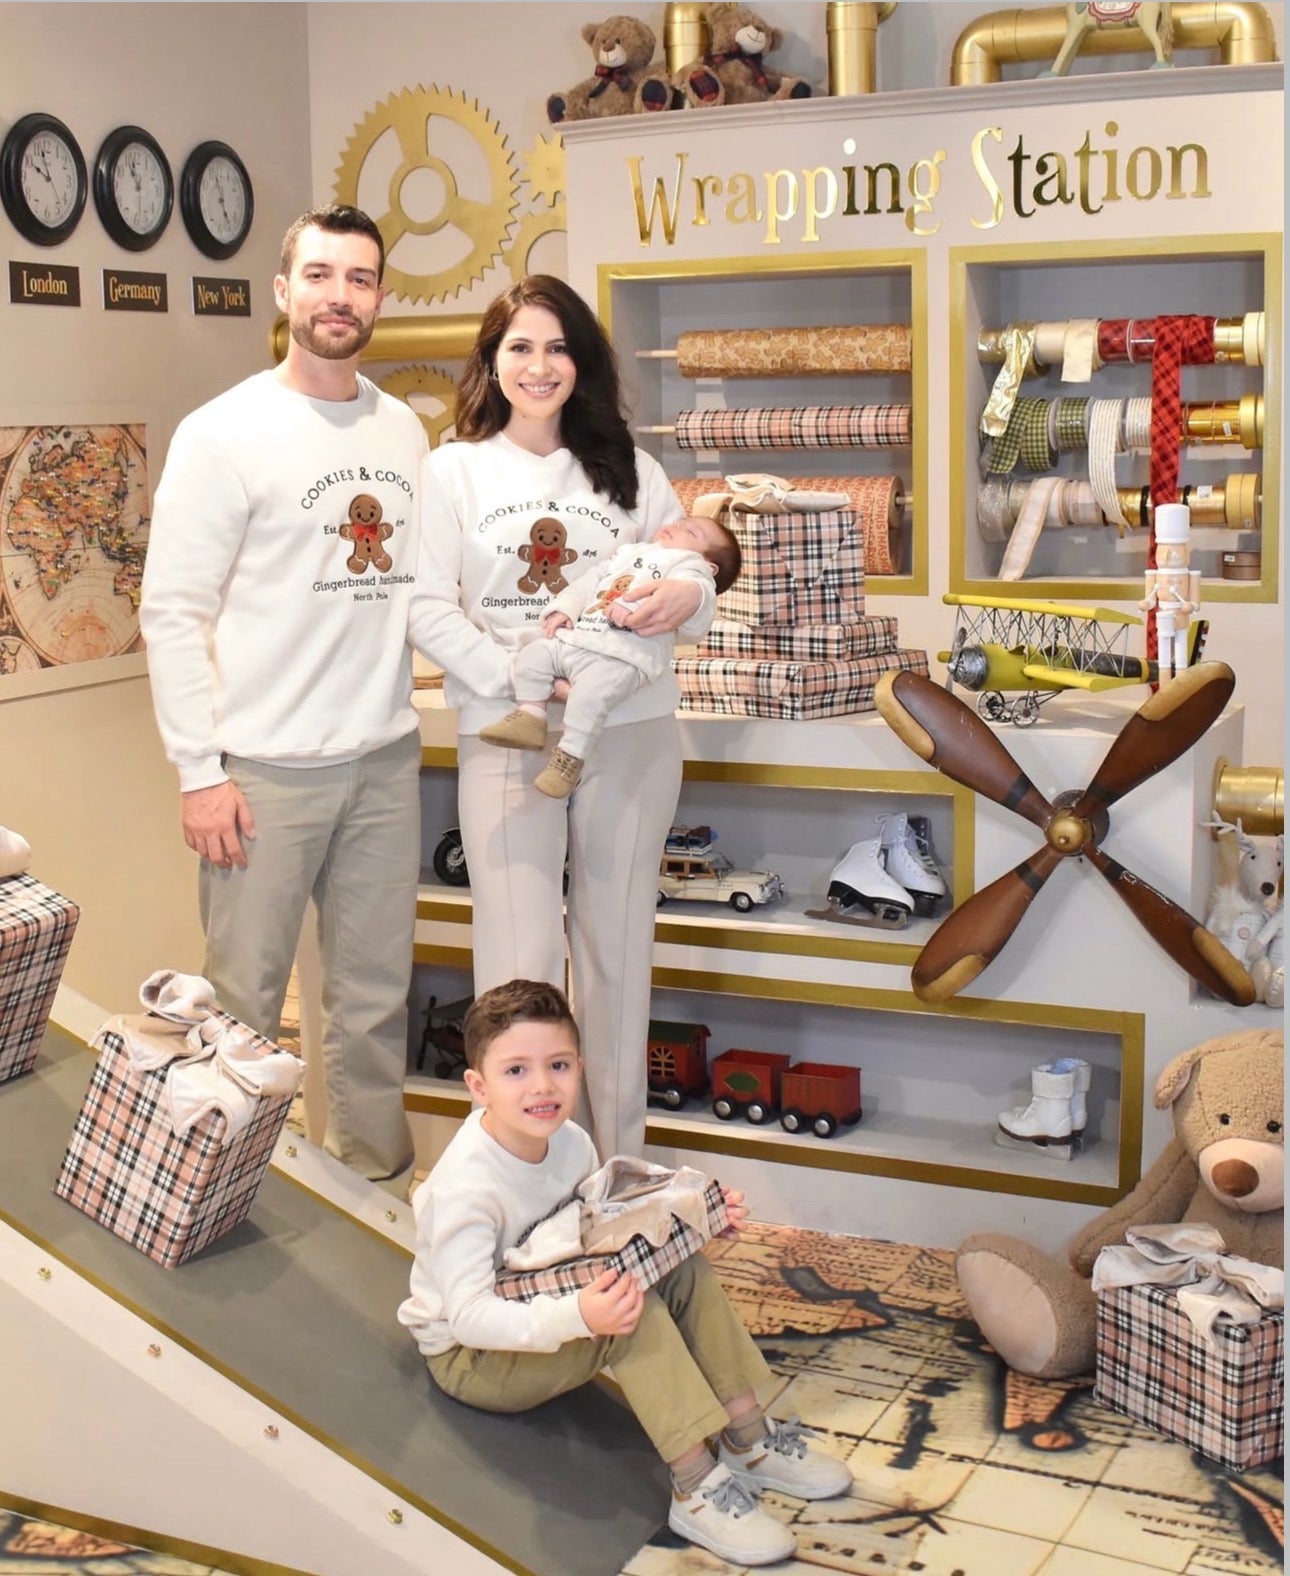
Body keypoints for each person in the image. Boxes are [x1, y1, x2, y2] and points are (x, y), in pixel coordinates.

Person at [139, 204, 428, 1185]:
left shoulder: (404, 431)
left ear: (380, 296)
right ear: (283, 290)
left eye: (358, 278)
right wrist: (198, 772)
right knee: (239, 1013)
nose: (339, 296)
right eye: (320, 275)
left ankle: (376, 1201)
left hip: (385, 763)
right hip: (261, 776)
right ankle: (226, 1204)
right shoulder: (222, 432)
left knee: (373, 1005)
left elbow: (417, 592)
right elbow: (171, 610)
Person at [409, 274, 716, 1158]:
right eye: (520, 347)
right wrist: (519, 677)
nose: (539, 366)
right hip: (509, 735)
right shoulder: (452, 471)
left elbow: (694, 580)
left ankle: (613, 1168)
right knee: (515, 966)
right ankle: (521, 1176)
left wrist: (676, 600)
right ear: (492, 361)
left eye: (557, 347)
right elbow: (428, 606)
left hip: (629, 733)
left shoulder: (632, 468)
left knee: (617, 957)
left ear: (580, 361)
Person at [398, 980, 853, 1568]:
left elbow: (598, 1230)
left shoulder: (571, 1142)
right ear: (478, 1086)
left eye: (558, 1065)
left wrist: (693, 1223)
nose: (542, 1086)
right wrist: (580, 1317)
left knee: (676, 1269)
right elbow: (468, 1317)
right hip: (471, 1356)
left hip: (545, 1292)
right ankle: (695, 1486)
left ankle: (750, 1438)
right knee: (627, 1312)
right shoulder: (465, 1189)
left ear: (579, 1068)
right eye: (516, 1071)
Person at [478, 514, 741, 797]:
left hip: (622, 657)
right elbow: (589, 581)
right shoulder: (630, 553)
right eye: (681, 522)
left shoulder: (689, 567)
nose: (677, 526)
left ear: (709, 565)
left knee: (588, 698)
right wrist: (564, 608)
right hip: (578, 639)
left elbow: (695, 598)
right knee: (534, 656)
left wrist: (649, 603)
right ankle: (530, 714)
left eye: (691, 531)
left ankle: (568, 758)